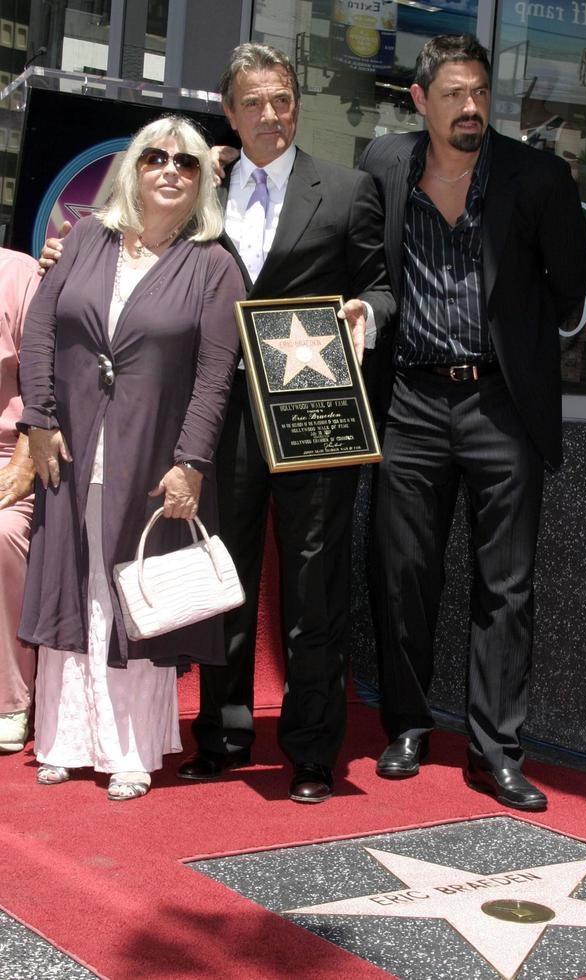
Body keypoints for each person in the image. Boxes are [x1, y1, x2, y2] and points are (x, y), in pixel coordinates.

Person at [359, 35, 586, 810]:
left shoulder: (537, 177)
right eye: (454, 94)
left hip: (501, 404)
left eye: (481, 93)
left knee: (507, 586)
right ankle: (409, 726)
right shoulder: (386, 163)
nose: (470, 108)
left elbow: (570, 287)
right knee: (403, 574)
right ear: (420, 100)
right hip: (412, 403)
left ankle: (496, 749)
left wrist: (517, 344)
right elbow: (360, 253)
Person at [179, 43, 393, 802]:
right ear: (230, 111)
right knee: (225, 577)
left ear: (296, 103)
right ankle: (225, 734)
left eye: (283, 99)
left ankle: (310, 750)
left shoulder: (346, 188)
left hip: (313, 409)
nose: (271, 114)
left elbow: (379, 282)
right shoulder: (202, 187)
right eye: (254, 102)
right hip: (225, 409)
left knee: (314, 583)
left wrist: (368, 310)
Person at [19, 116, 244, 799]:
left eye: (186, 162)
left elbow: (215, 374)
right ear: (133, 170)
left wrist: (191, 463)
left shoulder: (214, 266)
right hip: (71, 448)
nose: (169, 170)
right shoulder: (85, 238)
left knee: (133, 597)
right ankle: (63, 739)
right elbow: (38, 332)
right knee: (72, 583)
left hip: (154, 462)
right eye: (155, 157)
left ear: (203, 179)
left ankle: (128, 752)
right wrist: (38, 421)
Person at [0, 249, 39, 753]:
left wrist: (23, 463)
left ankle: (11, 698)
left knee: (3, 533)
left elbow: (43, 383)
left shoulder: (20, 272)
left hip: (11, 450)